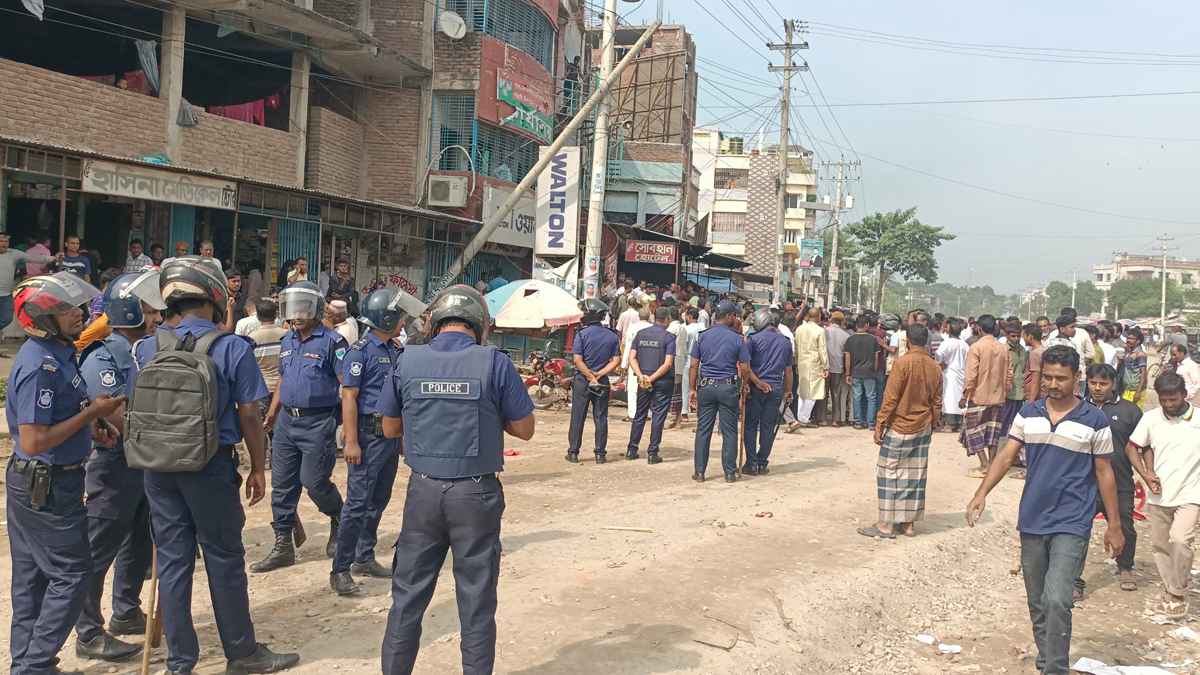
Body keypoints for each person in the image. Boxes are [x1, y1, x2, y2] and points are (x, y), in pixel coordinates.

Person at [132, 256, 299, 673]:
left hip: (158, 468)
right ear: (214, 295)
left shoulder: (147, 345)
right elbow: (249, 415)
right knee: (224, 558)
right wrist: (259, 467)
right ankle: (241, 654)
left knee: (173, 561)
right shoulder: (230, 348)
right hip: (209, 467)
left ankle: (180, 660)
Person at [379, 284, 535, 674]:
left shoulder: (407, 360)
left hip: (424, 493)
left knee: (407, 597)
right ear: (480, 325)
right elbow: (525, 428)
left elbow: (388, 428)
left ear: (434, 323)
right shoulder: (494, 362)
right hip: (475, 495)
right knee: (476, 600)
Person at [966, 345, 1123, 675]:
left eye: (1061, 379)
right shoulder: (1028, 413)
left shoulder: (1094, 420)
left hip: (1073, 520)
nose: (1053, 384)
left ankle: (1055, 668)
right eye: (1048, 377)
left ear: (1076, 378)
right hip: (1033, 518)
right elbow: (1007, 456)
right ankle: (1047, 659)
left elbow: (1104, 473)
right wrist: (981, 493)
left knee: (1057, 598)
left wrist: (1114, 524)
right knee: (1037, 600)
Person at [6, 273, 125, 675]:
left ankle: (27, 661)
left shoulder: (62, 353)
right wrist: (93, 413)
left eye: (74, 307)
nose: (78, 314)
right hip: (47, 484)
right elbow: (36, 439)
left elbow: (65, 410)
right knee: (73, 576)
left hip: (45, 480)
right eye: (64, 310)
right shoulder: (41, 365)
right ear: (41, 319)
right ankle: (35, 664)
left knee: (33, 579)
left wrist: (92, 424)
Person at [74, 271, 165, 662]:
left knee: (138, 541)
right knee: (100, 547)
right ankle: (88, 631)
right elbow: (114, 414)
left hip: (140, 461)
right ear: (129, 311)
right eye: (147, 310)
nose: (155, 317)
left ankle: (125, 610)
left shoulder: (136, 351)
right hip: (114, 464)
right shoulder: (103, 355)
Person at [254, 281, 348, 572]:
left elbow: (348, 386)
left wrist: (348, 428)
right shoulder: (287, 340)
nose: (296, 313)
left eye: (302, 306)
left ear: (316, 309)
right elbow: (283, 379)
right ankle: (283, 543)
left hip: (318, 422)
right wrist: (272, 412)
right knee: (281, 485)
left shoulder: (333, 342)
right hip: (286, 423)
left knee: (314, 482)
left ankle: (338, 518)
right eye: (292, 306)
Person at [329, 288, 405, 596]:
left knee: (379, 499)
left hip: (388, 437)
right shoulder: (360, 351)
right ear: (386, 318)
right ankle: (340, 569)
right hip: (367, 435)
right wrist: (351, 442)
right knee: (357, 504)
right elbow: (349, 397)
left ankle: (364, 555)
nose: (403, 321)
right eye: (399, 316)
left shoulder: (394, 350)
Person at [858, 323, 942, 539]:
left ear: (907, 341)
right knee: (915, 474)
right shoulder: (935, 367)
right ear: (926, 341)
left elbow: (891, 398)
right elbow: (937, 401)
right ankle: (908, 525)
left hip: (900, 426)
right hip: (923, 425)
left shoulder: (902, 364)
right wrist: (934, 422)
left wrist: (880, 424)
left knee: (888, 473)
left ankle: (885, 524)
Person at [1127, 372, 1200, 619]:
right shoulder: (1151, 419)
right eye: (1164, 400)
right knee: (1161, 546)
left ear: (1184, 395)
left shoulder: (1198, 419)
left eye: (1174, 399)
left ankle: (1178, 592)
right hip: (1159, 494)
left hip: (1191, 493)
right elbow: (1132, 447)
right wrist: (1146, 474)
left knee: (1180, 540)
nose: (1169, 405)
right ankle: (1171, 588)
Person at [1072, 364, 1143, 597]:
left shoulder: (1130, 411)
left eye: (1103, 383)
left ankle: (1125, 568)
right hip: (1085, 482)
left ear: (1113, 383)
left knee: (1125, 525)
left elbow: (1140, 446)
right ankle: (1074, 578)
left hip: (1121, 481)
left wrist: (1147, 473)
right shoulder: (1078, 409)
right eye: (1093, 383)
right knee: (1078, 528)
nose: (1098, 388)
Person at [690, 300, 750, 483]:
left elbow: (693, 365)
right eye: (735, 315)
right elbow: (745, 367)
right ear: (730, 316)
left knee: (703, 430)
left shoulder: (702, 336)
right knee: (730, 431)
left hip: (706, 387)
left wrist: (692, 388)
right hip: (727, 387)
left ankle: (700, 472)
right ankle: (730, 473)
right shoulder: (738, 339)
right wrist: (744, 384)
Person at [566, 299, 620, 463]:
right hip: (602, 381)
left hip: (583, 380)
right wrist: (598, 375)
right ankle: (600, 454)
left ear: (590, 315)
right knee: (601, 417)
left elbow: (577, 360)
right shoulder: (611, 336)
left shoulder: (582, 334)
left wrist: (590, 377)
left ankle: (573, 452)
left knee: (578, 416)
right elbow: (616, 360)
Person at [743, 308, 793, 475]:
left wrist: (754, 383)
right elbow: (788, 371)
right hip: (776, 388)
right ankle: (762, 462)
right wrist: (788, 391)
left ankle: (751, 463)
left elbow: (745, 367)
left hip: (756, 388)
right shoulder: (785, 342)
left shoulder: (752, 339)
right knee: (768, 427)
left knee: (750, 426)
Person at [960, 315, 1012, 477]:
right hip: (998, 397)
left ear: (979, 328)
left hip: (978, 396)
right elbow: (1009, 373)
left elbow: (971, 376)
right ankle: (991, 464)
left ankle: (984, 464)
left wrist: (964, 396)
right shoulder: (1003, 348)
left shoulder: (976, 347)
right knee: (992, 432)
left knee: (973, 431)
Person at [626, 307, 675, 463]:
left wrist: (642, 376)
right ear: (667, 319)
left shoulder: (641, 334)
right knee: (658, 416)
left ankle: (631, 450)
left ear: (654, 318)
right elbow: (668, 364)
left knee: (639, 415)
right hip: (661, 381)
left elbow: (631, 358)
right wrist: (651, 378)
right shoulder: (669, 337)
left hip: (643, 380)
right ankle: (653, 453)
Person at [0, 233, 57, 334]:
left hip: (6, 294)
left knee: (7, 318)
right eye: (1, 241)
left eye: (6, 241)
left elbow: (33, 258)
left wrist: (52, 258)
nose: (4, 244)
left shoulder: (14, 253)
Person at [844, 316, 883, 430]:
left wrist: (847, 374)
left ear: (856, 326)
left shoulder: (850, 339)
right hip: (869, 372)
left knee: (857, 396)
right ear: (866, 325)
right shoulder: (873, 339)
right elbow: (876, 357)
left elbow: (848, 357)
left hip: (855, 372)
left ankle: (858, 422)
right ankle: (871, 423)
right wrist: (874, 370)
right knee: (871, 397)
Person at [793, 307, 828, 427]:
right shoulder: (820, 331)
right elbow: (822, 350)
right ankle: (804, 418)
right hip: (814, 364)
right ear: (818, 317)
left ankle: (800, 417)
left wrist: (797, 363)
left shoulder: (799, 329)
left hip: (802, 362)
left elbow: (796, 349)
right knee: (813, 392)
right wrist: (825, 366)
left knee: (802, 390)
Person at [936, 318, 969, 433]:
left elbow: (938, 356)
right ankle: (959, 423)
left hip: (949, 373)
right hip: (962, 373)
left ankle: (950, 423)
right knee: (959, 397)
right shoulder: (965, 344)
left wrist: (941, 363)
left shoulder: (946, 343)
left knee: (949, 397)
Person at [999, 319, 1029, 437]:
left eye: (1018, 336)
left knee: (1017, 424)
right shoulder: (1002, 350)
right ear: (1006, 335)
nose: (1016, 338)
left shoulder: (1022, 350)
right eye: (1013, 336)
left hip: (1020, 392)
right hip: (1007, 393)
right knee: (1004, 423)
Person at [621, 306, 652, 415]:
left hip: (634, 360)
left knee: (633, 388)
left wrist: (624, 363)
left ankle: (632, 413)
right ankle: (647, 413)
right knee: (648, 385)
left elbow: (628, 345)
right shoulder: (652, 327)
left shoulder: (632, 327)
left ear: (639, 316)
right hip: (649, 361)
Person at [824, 311, 851, 426]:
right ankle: (836, 419)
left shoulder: (824, 332)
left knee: (823, 394)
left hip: (824, 367)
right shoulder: (846, 335)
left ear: (831, 319)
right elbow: (847, 355)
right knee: (836, 394)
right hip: (838, 367)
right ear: (842, 321)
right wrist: (847, 371)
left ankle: (822, 419)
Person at [1119, 328, 1148, 407]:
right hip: (1127, 390)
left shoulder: (1140, 354)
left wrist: (1138, 392)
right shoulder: (1129, 353)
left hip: (1135, 390)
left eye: (1131, 338)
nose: (1128, 340)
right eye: (1128, 338)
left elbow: (1143, 373)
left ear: (1138, 341)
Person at [1023, 323, 1046, 402]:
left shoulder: (1035, 354)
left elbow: (1035, 379)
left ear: (1030, 337)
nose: (1023, 338)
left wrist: (1031, 402)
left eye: (1024, 335)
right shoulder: (1043, 350)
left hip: (1036, 396)